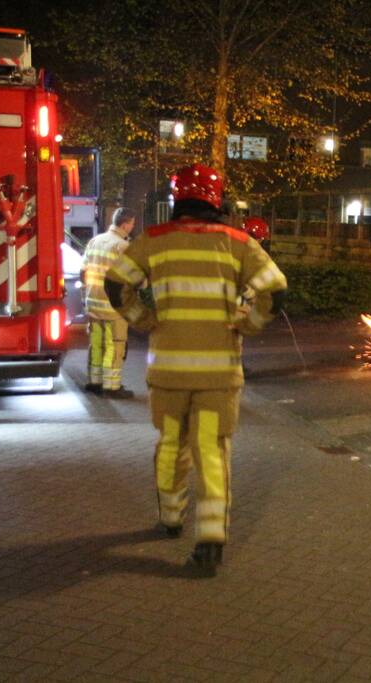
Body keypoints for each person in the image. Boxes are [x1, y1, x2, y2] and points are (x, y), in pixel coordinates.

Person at [104, 164, 286, 577]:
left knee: (171, 444)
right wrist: (248, 325)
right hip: (217, 376)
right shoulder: (237, 243)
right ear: (216, 200)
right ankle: (210, 541)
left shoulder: (153, 241)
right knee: (211, 452)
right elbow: (275, 291)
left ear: (177, 199)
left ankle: (171, 518)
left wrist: (143, 319)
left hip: (168, 373)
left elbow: (115, 284)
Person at [81, 207, 137, 398]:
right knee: (114, 345)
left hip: (93, 303)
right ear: (125, 224)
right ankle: (111, 386)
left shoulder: (95, 241)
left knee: (96, 344)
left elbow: (83, 272)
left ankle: (94, 382)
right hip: (113, 307)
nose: (132, 227)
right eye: (132, 224)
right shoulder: (122, 246)